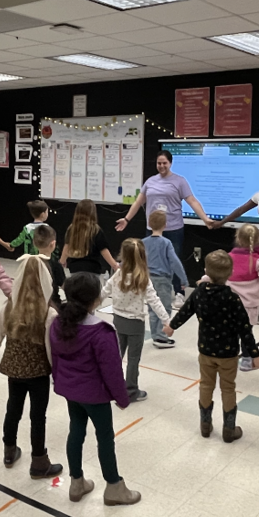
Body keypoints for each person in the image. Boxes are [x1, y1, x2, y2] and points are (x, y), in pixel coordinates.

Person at [51, 273, 140, 506]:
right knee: (105, 437)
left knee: (76, 431)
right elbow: (112, 372)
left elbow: (55, 358)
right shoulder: (101, 332)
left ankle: (76, 482)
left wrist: (60, 382)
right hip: (95, 396)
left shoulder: (58, 323)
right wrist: (122, 398)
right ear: (95, 300)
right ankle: (114, 486)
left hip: (71, 392)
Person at [0, 255, 63, 479]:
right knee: (38, 416)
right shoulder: (49, 313)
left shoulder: (10, 306)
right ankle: (39, 462)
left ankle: (9, 450)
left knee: (13, 409)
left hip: (14, 370)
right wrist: (57, 373)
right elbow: (51, 348)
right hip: (38, 373)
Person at [167, 250, 259, 442]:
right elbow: (244, 328)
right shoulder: (233, 298)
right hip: (228, 354)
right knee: (228, 388)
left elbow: (185, 312)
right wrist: (255, 354)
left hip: (206, 350)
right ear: (230, 273)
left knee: (206, 385)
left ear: (206, 271)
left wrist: (172, 326)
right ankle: (229, 429)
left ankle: (205, 425)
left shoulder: (199, 293)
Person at [115, 151, 215, 303]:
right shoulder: (150, 182)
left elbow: (192, 201)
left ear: (170, 163)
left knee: (174, 260)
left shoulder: (180, 181)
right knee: (149, 260)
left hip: (173, 228)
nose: (161, 166)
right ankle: (150, 291)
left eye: (164, 163)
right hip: (152, 228)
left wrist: (205, 219)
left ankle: (179, 292)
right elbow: (138, 202)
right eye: (159, 163)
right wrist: (126, 219)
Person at [102, 238, 171, 402]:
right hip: (135, 324)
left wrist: (89, 307)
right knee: (133, 359)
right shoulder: (142, 278)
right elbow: (154, 301)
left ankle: (111, 386)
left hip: (118, 321)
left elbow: (103, 292)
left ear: (123, 255)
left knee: (117, 356)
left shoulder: (118, 274)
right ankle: (131, 390)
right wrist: (166, 320)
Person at [226, 223, 259, 373]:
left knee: (230, 333)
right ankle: (246, 360)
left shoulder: (229, 257)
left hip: (229, 306)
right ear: (258, 240)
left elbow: (216, 274)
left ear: (237, 238)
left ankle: (227, 359)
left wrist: (204, 280)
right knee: (246, 334)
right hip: (249, 307)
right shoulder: (258, 261)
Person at [142, 210, 188, 349]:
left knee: (152, 307)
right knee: (164, 307)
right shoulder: (166, 243)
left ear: (149, 224)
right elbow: (175, 262)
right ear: (165, 225)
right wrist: (183, 279)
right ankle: (161, 336)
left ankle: (155, 334)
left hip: (147, 279)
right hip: (163, 279)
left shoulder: (143, 242)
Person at [61, 199, 119, 276]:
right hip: (93, 270)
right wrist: (114, 265)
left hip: (75, 269)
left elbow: (67, 247)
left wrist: (62, 262)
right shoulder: (95, 230)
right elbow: (103, 250)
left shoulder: (72, 229)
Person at [33, 224, 65, 311]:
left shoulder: (29, 263)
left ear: (34, 243)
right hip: (53, 306)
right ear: (53, 244)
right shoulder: (56, 266)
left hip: (32, 304)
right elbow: (64, 287)